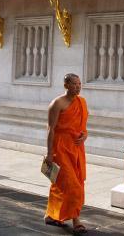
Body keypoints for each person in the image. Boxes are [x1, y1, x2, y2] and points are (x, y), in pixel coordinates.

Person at [44, 73, 88, 234]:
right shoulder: (57, 103)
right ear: (66, 85)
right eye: (74, 84)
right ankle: (76, 220)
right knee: (72, 186)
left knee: (62, 183)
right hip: (61, 147)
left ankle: (51, 215)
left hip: (76, 148)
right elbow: (51, 129)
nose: (78, 87)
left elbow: (83, 126)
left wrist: (85, 135)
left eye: (79, 84)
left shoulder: (82, 102)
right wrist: (49, 153)